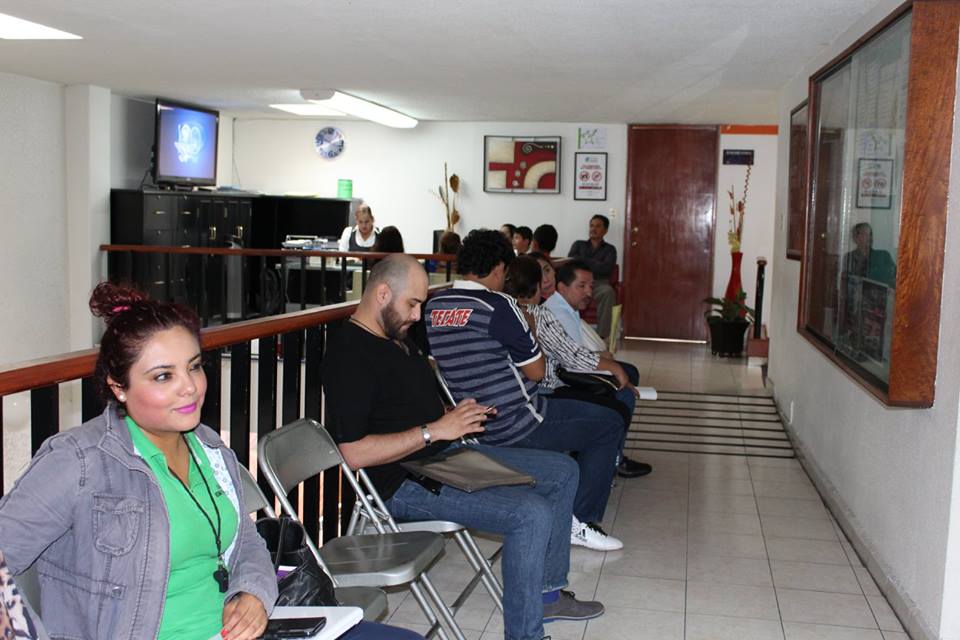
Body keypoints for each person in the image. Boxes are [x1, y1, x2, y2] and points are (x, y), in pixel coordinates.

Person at [322, 255, 604, 640]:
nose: (418, 316)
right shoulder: (349, 354)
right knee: (530, 514)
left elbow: (405, 408)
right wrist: (434, 430)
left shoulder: (396, 336)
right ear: (382, 293)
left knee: (563, 470)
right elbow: (352, 454)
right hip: (402, 483)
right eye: (413, 304)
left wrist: (455, 416)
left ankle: (547, 595)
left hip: (441, 455)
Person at [0, 283, 278, 640]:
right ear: (119, 387)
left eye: (194, 367)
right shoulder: (78, 461)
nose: (190, 387)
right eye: (164, 376)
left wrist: (253, 591)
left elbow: (246, 540)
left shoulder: (208, 448)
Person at [425, 230, 626, 552]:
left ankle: (566, 511)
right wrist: (530, 331)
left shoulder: (435, 305)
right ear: (498, 268)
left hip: (469, 424)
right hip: (519, 422)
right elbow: (537, 372)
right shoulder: (499, 305)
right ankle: (578, 521)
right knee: (609, 423)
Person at [504, 257, 650, 478]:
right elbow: (570, 358)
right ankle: (603, 470)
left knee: (621, 385)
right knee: (616, 411)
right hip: (544, 392)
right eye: (582, 285)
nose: (588, 291)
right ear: (536, 285)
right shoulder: (537, 313)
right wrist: (612, 367)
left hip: (514, 396)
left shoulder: (497, 311)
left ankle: (607, 460)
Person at [568, 215, 618, 339]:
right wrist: (596, 263)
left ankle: (602, 337)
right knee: (567, 290)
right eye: (591, 226)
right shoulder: (578, 244)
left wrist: (583, 260)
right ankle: (569, 333)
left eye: (598, 226)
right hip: (579, 282)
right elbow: (571, 263)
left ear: (605, 230)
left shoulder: (610, 249)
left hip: (599, 283)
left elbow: (606, 269)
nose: (593, 229)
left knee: (608, 292)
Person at [843, 222, 896, 288]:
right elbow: (847, 282)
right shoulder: (849, 257)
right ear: (855, 238)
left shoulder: (884, 256)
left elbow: (895, 277)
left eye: (870, 234)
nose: (869, 237)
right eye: (865, 234)